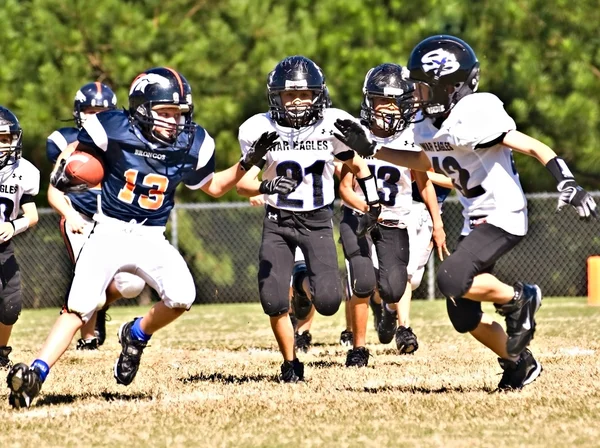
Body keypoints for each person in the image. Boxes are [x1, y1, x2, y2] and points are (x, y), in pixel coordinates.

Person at [333, 35, 597, 390]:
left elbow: (531, 145)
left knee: (450, 279)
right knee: (463, 313)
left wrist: (566, 181)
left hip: (505, 213)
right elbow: (424, 160)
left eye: (424, 89)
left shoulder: (476, 111)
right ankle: (519, 364)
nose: (416, 97)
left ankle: (522, 298)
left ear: (450, 88)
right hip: (476, 219)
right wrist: (374, 149)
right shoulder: (427, 126)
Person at [7, 67, 267, 408]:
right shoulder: (112, 127)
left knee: (183, 295)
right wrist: (69, 171)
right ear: (142, 109)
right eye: (165, 113)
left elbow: (215, 186)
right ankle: (36, 375)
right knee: (78, 308)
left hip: (151, 236)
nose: (174, 122)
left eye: (180, 114)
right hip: (109, 232)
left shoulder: (193, 143)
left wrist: (247, 162)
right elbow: (74, 158)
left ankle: (136, 334)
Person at [236, 55, 381, 382]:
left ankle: (304, 292)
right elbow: (242, 184)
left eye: (304, 94)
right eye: (290, 95)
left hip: (317, 220)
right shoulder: (260, 128)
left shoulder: (332, 124)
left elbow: (361, 165)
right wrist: (266, 185)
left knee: (329, 300)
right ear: (276, 97)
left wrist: (373, 203)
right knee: (273, 299)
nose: (298, 102)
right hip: (278, 222)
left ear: (319, 95)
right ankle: (290, 364)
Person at [337, 63, 447, 366]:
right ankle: (358, 349)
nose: (384, 110)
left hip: (394, 220)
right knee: (361, 280)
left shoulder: (412, 137)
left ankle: (386, 308)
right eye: (378, 102)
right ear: (368, 102)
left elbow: (424, 185)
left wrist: (438, 224)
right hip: (358, 217)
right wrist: (366, 208)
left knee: (395, 287)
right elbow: (345, 189)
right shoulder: (357, 136)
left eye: (391, 103)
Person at [46, 82, 146, 350]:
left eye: (102, 111)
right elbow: (54, 192)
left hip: (113, 222)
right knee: (91, 287)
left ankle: (99, 308)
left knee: (132, 284)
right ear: (79, 112)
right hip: (79, 218)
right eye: (90, 111)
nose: (95, 116)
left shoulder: (123, 144)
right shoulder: (64, 141)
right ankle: (88, 339)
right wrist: (69, 214)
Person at [0, 107, 40, 369]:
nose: (7, 145)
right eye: (0, 139)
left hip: (3, 246)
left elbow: (32, 216)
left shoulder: (24, 171)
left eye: (8, 138)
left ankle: (1, 352)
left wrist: (13, 227)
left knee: (11, 306)